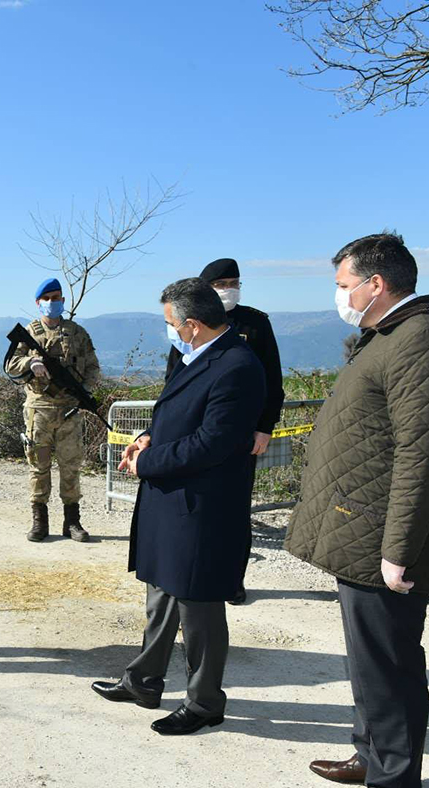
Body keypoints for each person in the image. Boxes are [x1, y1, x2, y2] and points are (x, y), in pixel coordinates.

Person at [285, 233, 429, 788]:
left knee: (389, 664)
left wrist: (399, 550)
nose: (339, 296)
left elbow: (424, 455)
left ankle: (393, 776)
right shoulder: (390, 336)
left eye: (344, 285)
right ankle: (369, 753)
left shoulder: (422, 342)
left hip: (382, 539)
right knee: (369, 661)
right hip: (360, 529)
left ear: (376, 284)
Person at [90, 278, 264, 736]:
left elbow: (212, 443)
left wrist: (149, 461)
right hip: (174, 502)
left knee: (199, 608)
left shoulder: (237, 365)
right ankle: (144, 680)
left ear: (191, 325)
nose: (168, 331)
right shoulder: (198, 356)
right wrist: (147, 437)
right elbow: (178, 417)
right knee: (162, 594)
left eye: (170, 323)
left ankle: (205, 701)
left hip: (202, 506)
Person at [165, 258, 285, 605]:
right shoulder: (188, 325)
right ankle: (191, 573)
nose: (229, 289)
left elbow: (272, 380)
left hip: (241, 437)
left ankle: (234, 579)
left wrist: (265, 427)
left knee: (234, 513)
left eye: (234, 282)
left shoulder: (255, 324)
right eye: (221, 284)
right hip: (194, 434)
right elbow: (174, 380)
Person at [4, 278, 101, 542]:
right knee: (39, 466)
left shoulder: (77, 332)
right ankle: (39, 521)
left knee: (70, 466)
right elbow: (11, 365)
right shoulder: (30, 332)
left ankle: (72, 522)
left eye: (56, 297)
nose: (52, 302)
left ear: (63, 301)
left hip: (70, 408)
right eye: (46, 298)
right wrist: (31, 361)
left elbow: (93, 367)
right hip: (39, 409)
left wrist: (84, 392)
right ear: (38, 303)